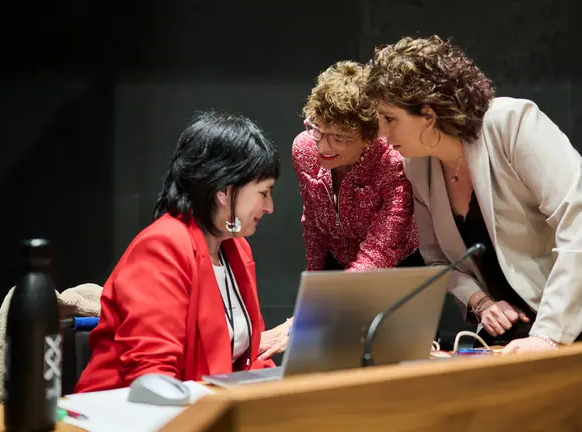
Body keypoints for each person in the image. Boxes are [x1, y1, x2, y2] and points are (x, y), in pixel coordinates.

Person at [365, 35, 582, 355]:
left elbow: (578, 222)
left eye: (389, 118)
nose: (382, 132)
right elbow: (437, 259)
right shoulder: (417, 165)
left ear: (428, 114)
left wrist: (549, 335)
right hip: (518, 330)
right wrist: (481, 301)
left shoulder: (513, 122)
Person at [74, 111, 279, 392]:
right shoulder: (161, 247)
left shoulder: (236, 248)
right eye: (264, 192)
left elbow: (247, 360)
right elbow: (152, 378)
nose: (269, 207)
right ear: (225, 192)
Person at [257, 61, 423, 361]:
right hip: (338, 266)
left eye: (340, 137)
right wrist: (313, 300)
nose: (323, 145)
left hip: (393, 274)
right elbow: (314, 226)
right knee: (323, 359)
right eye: (318, 129)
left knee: (388, 366)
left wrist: (304, 320)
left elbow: (378, 255)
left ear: (369, 135)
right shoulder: (305, 148)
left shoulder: (393, 164)